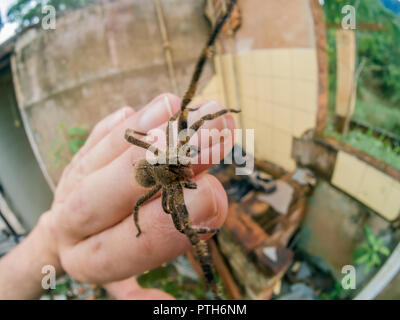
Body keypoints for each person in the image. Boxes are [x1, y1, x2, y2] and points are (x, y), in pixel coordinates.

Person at [0, 93, 235, 300]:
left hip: (154, 166)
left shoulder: (166, 152)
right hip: (148, 175)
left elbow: (167, 126)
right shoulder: (164, 184)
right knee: (171, 216)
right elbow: (159, 211)